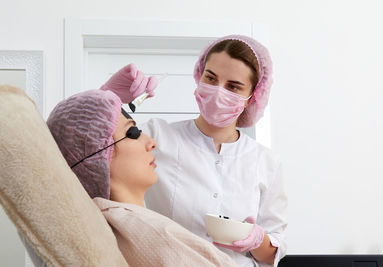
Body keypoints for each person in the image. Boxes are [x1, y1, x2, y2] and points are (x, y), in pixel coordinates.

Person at [100, 34, 288, 267]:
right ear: (199, 76)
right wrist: (107, 99)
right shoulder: (156, 136)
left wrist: (256, 241)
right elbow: (89, 148)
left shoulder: (266, 162)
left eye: (233, 86)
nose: (218, 91)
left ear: (252, 97)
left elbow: (275, 252)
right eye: (211, 78)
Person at [45, 89, 237, 266]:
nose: (152, 142)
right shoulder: (155, 235)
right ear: (97, 157)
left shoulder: (111, 226)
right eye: (133, 132)